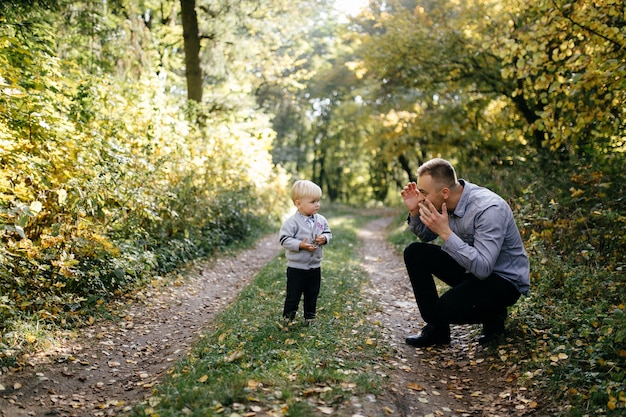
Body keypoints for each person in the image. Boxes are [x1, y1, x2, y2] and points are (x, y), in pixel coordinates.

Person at [401, 158, 530, 347]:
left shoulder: (489, 209)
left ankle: (494, 314)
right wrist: (414, 212)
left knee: (441, 309)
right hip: (471, 271)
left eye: (423, 193)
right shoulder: (445, 200)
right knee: (415, 253)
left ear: (444, 192)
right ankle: (438, 332)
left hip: (502, 281)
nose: (420, 198)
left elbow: (484, 268)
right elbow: (427, 235)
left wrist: (445, 232)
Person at [279, 180, 332, 325]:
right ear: (298, 203)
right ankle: (287, 318)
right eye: (312, 202)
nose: (317, 204)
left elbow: (328, 232)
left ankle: (310, 317)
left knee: (312, 293)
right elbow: (284, 239)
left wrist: (324, 238)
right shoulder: (292, 222)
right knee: (293, 294)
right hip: (297, 267)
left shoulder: (321, 220)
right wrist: (299, 245)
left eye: (318, 201)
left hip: (315, 266)